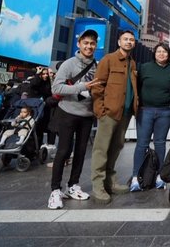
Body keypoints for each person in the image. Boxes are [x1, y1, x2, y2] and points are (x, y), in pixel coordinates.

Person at [47, 29, 99, 209]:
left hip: (86, 115)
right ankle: (55, 190)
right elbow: (56, 89)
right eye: (86, 43)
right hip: (67, 112)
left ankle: (72, 185)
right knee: (63, 151)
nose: (89, 46)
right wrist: (81, 86)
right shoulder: (69, 64)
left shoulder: (97, 66)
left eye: (92, 43)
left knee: (81, 152)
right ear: (79, 44)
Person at [91, 30, 138, 204]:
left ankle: (109, 181)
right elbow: (97, 86)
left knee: (116, 147)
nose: (128, 42)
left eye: (131, 40)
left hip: (125, 114)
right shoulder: (108, 59)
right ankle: (98, 185)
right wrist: (100, 110)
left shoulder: (132, 63)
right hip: (108, 113)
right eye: (125, 39)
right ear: (119, 42)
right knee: (101, 149)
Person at [130, 43, 170, 192]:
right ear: (154, 53)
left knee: (160, 143)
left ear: (169, 54)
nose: (161, 54)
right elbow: (136, 86)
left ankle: (159, 176)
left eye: (164, 52)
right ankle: (135, 177)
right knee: (142, 144)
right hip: (146, 111)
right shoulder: (144, 68)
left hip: (165, 111)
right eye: (159, 51)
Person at [29, 66, 56, 150]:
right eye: (43, 74)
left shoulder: (49, 83)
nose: (45, 75)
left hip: (46, 110)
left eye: (46, 74)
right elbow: (33, 84)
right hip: (35, 110)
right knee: (35, 130)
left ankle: (42, 147)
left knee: (44, 129)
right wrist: (37, 74)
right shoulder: (37, 82)